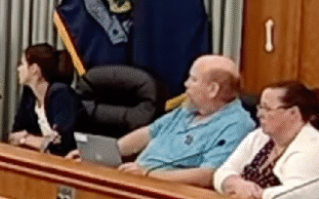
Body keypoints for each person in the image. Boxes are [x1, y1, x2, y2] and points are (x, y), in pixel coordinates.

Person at [71, 55, 255, 187]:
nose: (186, 84)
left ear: (212, 89)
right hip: (139, 180)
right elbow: (148, 133)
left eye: (193, 79)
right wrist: (98, 155)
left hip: (170, 192)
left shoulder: (237, 125)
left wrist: (150, 175)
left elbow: (208, 175)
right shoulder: (187, 110)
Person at [213, 81, 319, 199]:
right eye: (260, 107)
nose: (259, 114)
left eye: (267, 109)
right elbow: (222, 172)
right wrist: (234, 183)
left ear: (293, 113)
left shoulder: (312, 146)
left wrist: (254, 194)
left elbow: (296, 196)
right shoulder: (259, 136)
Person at [9, 43, 82, 155]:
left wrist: (26, 139)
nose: (18, 69)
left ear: (34, 69)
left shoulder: (62, 95)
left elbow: (61, 143)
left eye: (22, 64)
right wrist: (38, 141)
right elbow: (15, 134)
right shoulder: (29, 94)